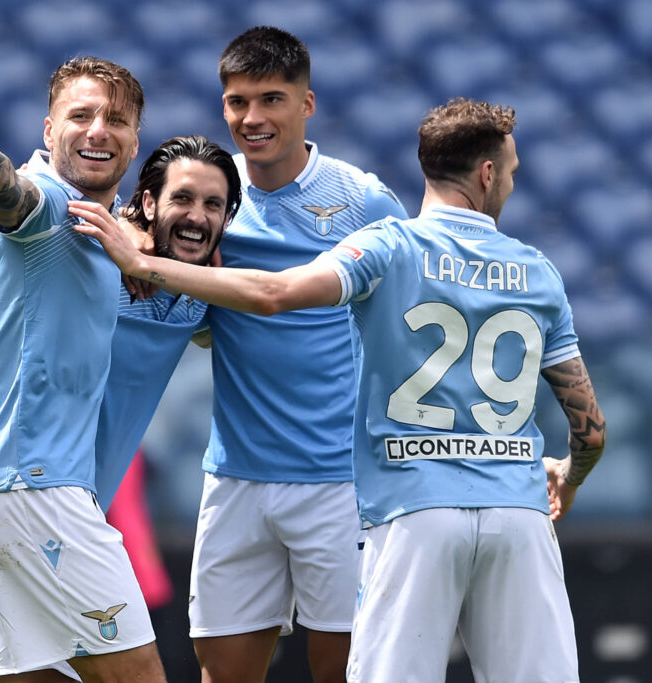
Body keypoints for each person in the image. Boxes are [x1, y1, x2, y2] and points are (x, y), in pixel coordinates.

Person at [71, 96, 608, 683]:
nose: (510, 180)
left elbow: (274, 294)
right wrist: (569, 476)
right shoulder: (538, 270)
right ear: (486, 174)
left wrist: (142, 260)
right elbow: (591, 429)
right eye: (511, 170)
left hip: (414, 509)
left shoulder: (388, 245)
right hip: (519, 512)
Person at [0, 134, 241, 683]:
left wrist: (157, 260)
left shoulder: (197, 289)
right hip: (8, 493)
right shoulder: (83, 250)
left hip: (56, 508)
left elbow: (241, 306)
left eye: (212, 205)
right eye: (182, 199)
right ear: (147, 203)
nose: (196, 217)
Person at [161, 26, 411, 683]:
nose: (253, 117)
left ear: (307, 104)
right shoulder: (208, 196)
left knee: (345, 672)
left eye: (271, 99)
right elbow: (192, 305)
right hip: (235, 476)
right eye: (237, 101)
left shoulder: (363, 199)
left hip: (340, 482)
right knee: (223, 674)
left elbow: (409, 320)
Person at [0, 55, 166, 683]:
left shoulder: (98, 224)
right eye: (80, 115)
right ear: (49, 129)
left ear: (135, 138)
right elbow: (16, 197)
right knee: (138, 675)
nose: (98, 130)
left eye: (116, 120)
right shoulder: (52, 202)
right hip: (34, 490)